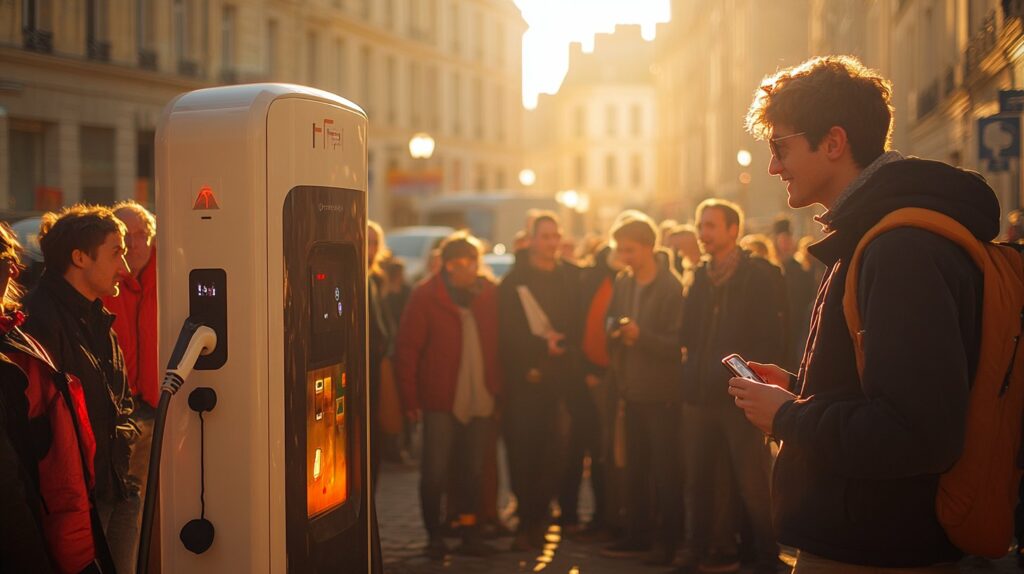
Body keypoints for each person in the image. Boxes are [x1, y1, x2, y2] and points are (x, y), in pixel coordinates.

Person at [732, 54, 999, 572]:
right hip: (866, 535)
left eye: (780, 147)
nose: (772, 166)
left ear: (833, 143)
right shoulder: (873, 236)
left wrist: (788, 415)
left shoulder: (900, 248)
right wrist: (797, 389)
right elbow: (881, 389)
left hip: (878, 547)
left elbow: (916, 432)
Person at [22, 205, 137, 573]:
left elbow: (120, 403)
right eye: (117, 253)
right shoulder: (37, 320)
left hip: (114, 489)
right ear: (79, 258)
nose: (126, 267)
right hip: (74, 506)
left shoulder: (98, 317)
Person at [678, 199, 787, 574]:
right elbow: (688, 334)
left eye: (710, 225)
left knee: (752, 482)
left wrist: (753, 382)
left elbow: (771, 336)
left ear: (732, 230)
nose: (702, 233)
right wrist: (692, 372)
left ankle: (766, 558)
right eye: (700, 224)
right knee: (697, 480)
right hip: (698, 396)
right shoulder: (699, 277)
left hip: (740, 396)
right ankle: (696, 550)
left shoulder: (757, 275)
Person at [0, 222, 116, 573]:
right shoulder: (36, 327)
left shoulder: (17, 336)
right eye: (7, 261)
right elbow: (9, 484)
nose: (14, 272)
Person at [395, 232, 501, 560]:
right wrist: (410, 400)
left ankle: (471, 531)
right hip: (440, 399)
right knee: (435, 471)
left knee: (473, 470)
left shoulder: (489, 294)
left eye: (474, 262)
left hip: (480, 396)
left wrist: (500, 391)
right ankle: (435, 535)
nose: (470, 269)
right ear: (449, 266)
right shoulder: (426, 295)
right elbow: (407, 350)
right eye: (462, 263)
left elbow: (501, 346)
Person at [599, 211, 685, 566]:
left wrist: (641, 337)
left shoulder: (671, 287)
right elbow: (610, 320)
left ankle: (668, 543)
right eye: (621, 250)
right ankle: (636, 536)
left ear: (649, 247)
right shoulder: (623, 282)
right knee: (632, 467)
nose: (624, 257)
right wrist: (616, 331)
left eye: (629, 249)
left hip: (662, 394)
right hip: (630, 390)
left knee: (665, 473)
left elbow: (677, 344)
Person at [498, 212, 581, 551]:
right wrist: (538, 346)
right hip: (524, 382)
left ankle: (541, 517)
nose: (550, 242)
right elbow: (507, 332)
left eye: (554, 236)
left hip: (560, 381)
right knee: (522, 453)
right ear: (531, 240)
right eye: (544, 236)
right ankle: (526, 520)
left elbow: (579, 321)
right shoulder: (513, 281)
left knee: (555, 453)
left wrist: (565, 342)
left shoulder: (571, 278)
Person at [771, 217, 816, 373]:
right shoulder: (770, 268)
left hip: (797, 323)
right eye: (782, 240)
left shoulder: (800, 269)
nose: (786, 243)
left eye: (788, 239)